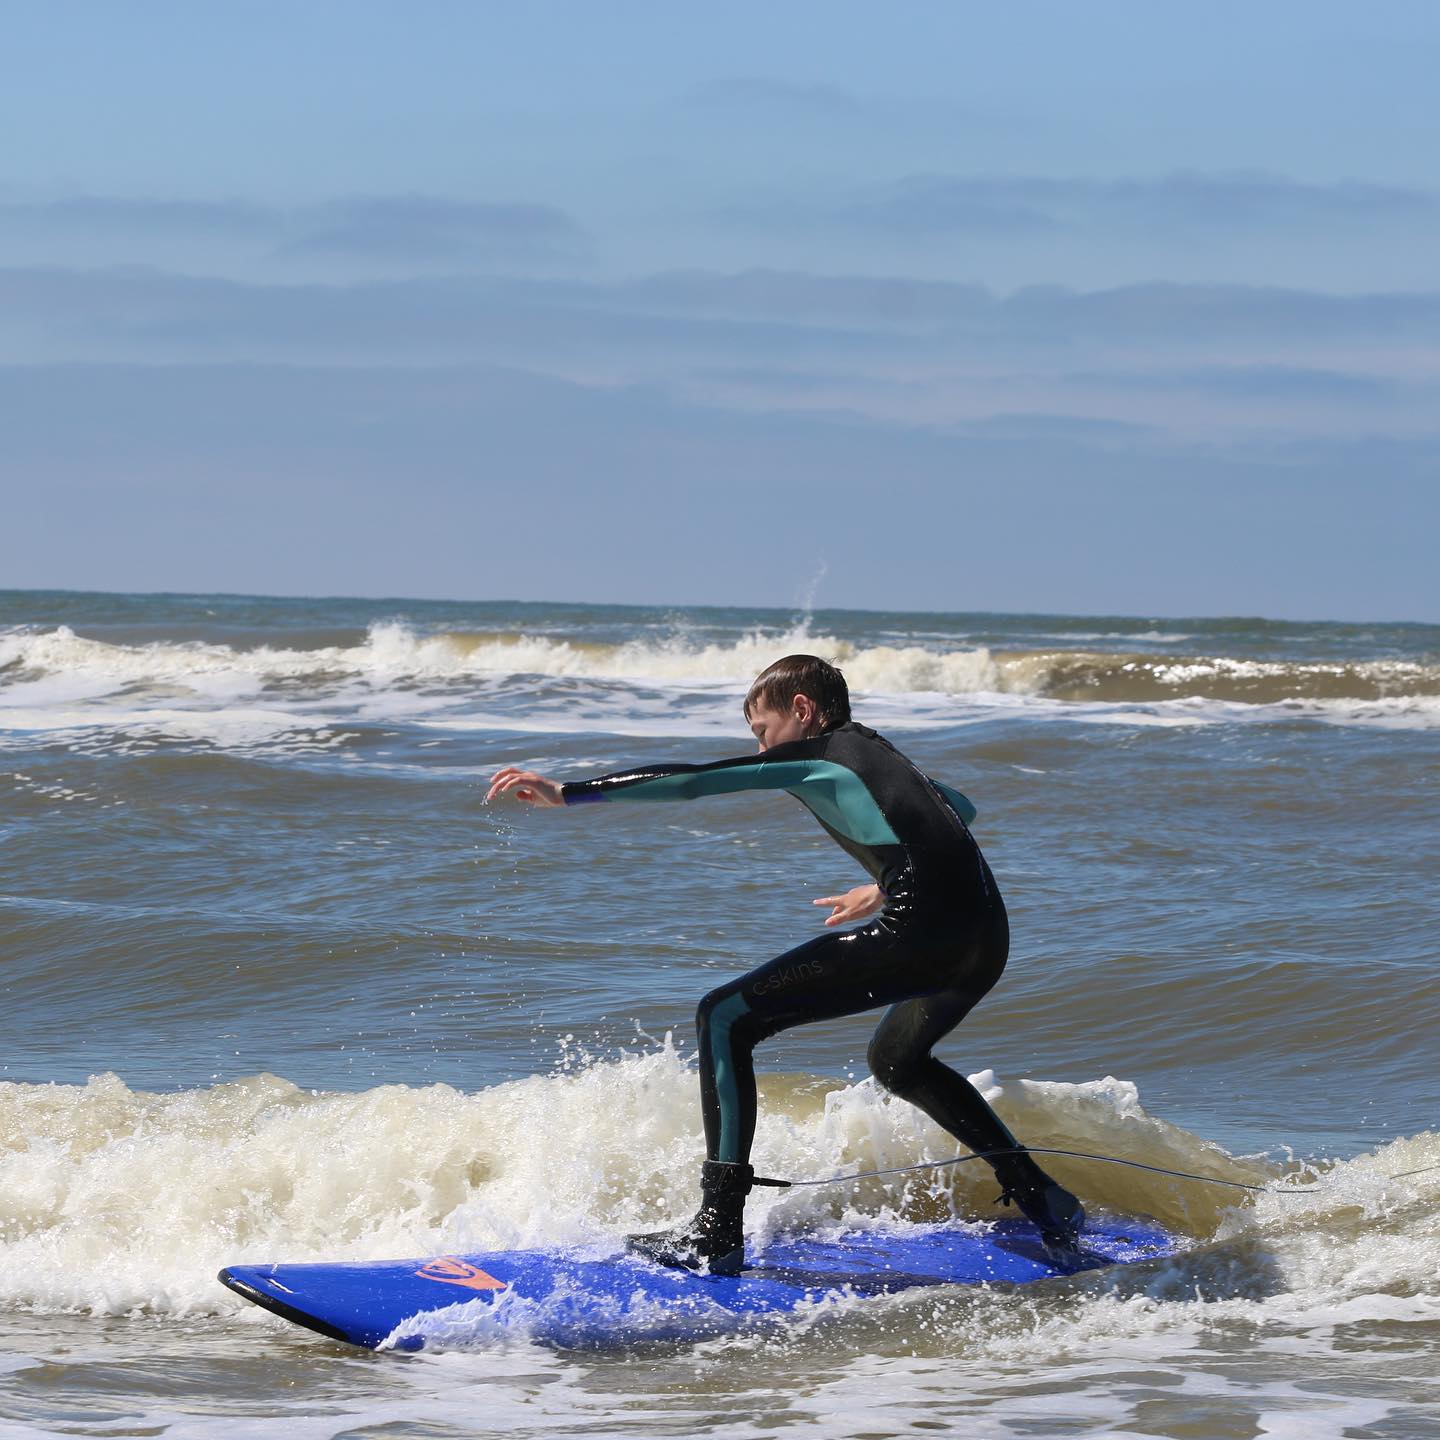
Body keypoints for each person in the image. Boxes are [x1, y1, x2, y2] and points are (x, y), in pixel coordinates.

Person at [486, 653, 1084, 1274]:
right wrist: (887, 881)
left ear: (801, 709)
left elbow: (695, 780)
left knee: (723, 1017)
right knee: (897, 1061)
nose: (761, 744)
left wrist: (570, 793)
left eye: (761, 729)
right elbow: (959, 806)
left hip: (924, 932)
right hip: (986, 939)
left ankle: (716, 1231)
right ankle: (1043, 1195)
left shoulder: (821, 754)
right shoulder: (878, 756)